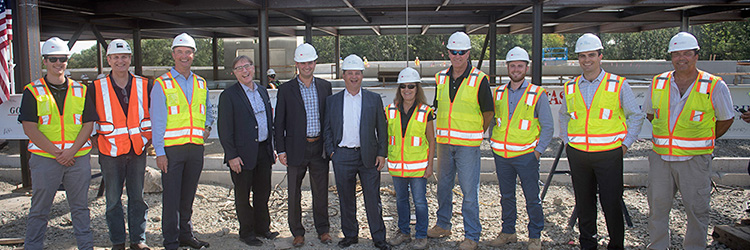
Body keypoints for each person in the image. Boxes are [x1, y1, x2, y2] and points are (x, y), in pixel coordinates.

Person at [643, 32, 734, 250]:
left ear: (696, 55)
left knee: (696, 211)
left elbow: (726, 119)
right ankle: (657, 247)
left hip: (694, 161)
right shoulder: (659, 82)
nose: (681, 58)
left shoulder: (714, 85)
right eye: (676, 54)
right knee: (657, 209)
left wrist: (701, 140)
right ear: (671, 57)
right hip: (661, 159)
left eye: (686, 53)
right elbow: (649, 113)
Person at [558, 33, 644, 250]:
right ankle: (588, 244)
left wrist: (625, 145)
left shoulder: (617, 84)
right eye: (582, 56)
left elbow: (635, 115)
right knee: (585, 204)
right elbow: (564, 114)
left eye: (591, 55)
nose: (587, 60)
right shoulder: (570, 87)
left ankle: (616, 245)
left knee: (611, 203)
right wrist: (567, 142)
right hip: (578, 155)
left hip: (609, 155)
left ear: (600, 56)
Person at [20, 37, 97, 250]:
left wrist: (71, 152)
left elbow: (88, 124)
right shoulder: (32, 91)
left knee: (80, 208)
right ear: (45, 61)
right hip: (46, 159)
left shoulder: (81, 89)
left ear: (67, 61)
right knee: (40, 209)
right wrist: (57, 153)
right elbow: (30, 128)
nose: (58, 63)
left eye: (62, 59)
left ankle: (86, 246)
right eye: (53, 59)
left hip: (77, 158)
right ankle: (33, 246)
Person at [427, 31, 494, 250]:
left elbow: (488, 113)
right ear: (448, 52)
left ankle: (472, 236)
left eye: (462, 52)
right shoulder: (441, 78)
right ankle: (443, 224)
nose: (457, 56)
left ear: (468, 54)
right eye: (454, 52)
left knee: (469, 192)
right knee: (443, 187)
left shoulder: (479, 79)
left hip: (467, 146)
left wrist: (475, 132)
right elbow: (439, 106)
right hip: (445, 144)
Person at [150, 33, 215, 250]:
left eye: (188, 52)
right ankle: (170, 241)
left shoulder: (200, 82)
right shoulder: (162, 84)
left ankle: (186, 234)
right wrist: (159, 151)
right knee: (171, 198)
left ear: (193, 55)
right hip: (172, 150)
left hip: (195, 148)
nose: (184, 56)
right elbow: (157, 120)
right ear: (173, 55)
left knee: (187, 196)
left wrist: (207, 127)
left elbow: (208, 109)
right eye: (180, 52)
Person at [323, 54, 391, 250]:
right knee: (346, 198)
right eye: (350, 73)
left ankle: (379, 238)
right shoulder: (333, 101)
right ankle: (350, 235)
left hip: (368, 155)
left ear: (362, 75)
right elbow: (327, 128)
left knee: (373, 198)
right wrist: (332, 152)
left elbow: (382, 128)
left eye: (357, 73)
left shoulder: (373, 99)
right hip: (342, 155)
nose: (354, 77)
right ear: (343, 76)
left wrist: (381, 153)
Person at [488, 47, 553, 250]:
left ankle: (535, 236)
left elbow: (548, 126)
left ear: (526, 67)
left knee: (532, 197)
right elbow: (493, 122)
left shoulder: (537, 93)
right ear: (507, 67)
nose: (516, 69)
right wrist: (493, 143)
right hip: (503, 156)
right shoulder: (498, 92)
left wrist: (538, 151)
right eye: (512, 65)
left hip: (526, 156)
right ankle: (508, 232)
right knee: (506, 196)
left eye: (520, 66)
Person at [90, 39, 152, 250]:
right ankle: (118, 241)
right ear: (108, 60)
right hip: (110, 152)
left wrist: (149, 140)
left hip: (136, 150)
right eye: (115, 57)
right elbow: (89, 119)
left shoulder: (144, 84)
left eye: (124, 56)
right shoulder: (97, 87)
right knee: (113, 200)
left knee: (137, 198)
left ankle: (138, 240)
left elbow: (153, 114)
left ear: (130, 59)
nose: (120, 61)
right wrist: (95, 142)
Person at [274, 43, 333, 247]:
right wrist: (280, 149)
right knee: (294, 193)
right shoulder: (285, 89)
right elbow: (278, 122)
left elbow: (329, 120)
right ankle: (297, 232)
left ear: (315, 63)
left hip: (319, 148)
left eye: (310, 62)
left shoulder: (325, 87)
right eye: (303, 63)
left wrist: (330, 146)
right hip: (295, 149)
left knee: (321, 191)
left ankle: (323, 230)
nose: (307, 66)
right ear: (297, 64)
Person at [218, 55, 279, 246]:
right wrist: (232, 156)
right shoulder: (228, 96)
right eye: (239, 68)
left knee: (263, 193)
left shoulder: (262, 91)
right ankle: (247, 232)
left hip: (263, 151)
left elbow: (269, 122)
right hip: (241, 156)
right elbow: (225, 129)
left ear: (253, 68)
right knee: (243, 195)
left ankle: (263, 228)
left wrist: (272, 148)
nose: (245, 71)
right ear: (234, 73)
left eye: (247, 66)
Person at [385, 67, 435, 250]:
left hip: (419, 167)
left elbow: (431, 140)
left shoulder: (425, 111)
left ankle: (421, 236)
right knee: (401, 201)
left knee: (420, 202)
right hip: (398, 166)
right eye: (403, 86)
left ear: (417, 88)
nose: (407, 90)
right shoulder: (389, 111)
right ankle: (404, 232)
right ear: (399, 88)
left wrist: (430, 166)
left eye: (411, 86)